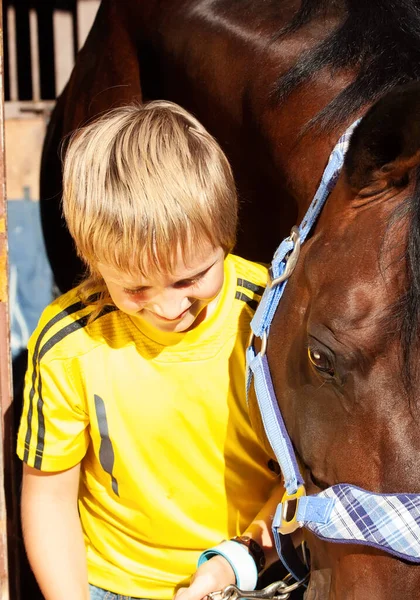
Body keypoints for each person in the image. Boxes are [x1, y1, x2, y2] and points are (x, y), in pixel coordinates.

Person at [17, 100, 284, 600]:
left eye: (190, 278)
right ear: (94, 262)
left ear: (226, 237)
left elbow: (309, 478)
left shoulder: (268, 315)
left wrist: (238, 563)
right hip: (114, 584)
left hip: (255, 569)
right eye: (136, 289)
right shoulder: (69, 344)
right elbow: (49, 498)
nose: (167, 307)